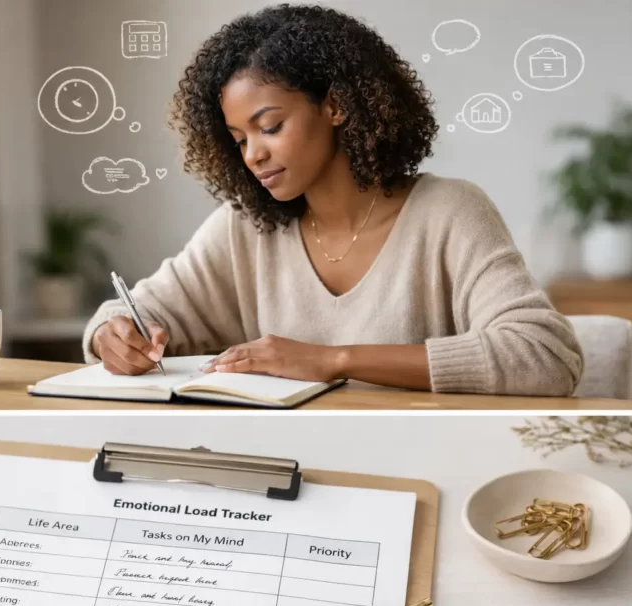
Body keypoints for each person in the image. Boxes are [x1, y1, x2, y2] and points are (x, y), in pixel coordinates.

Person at [83, 3, 583, 396]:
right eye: (239, 139)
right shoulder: (245, 228)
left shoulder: (449, 212)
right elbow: (132, 313)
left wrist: (332, 360)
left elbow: (546, 356)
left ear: (336, 106)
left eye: (270, 126)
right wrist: (114, 333)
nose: (254, 155)